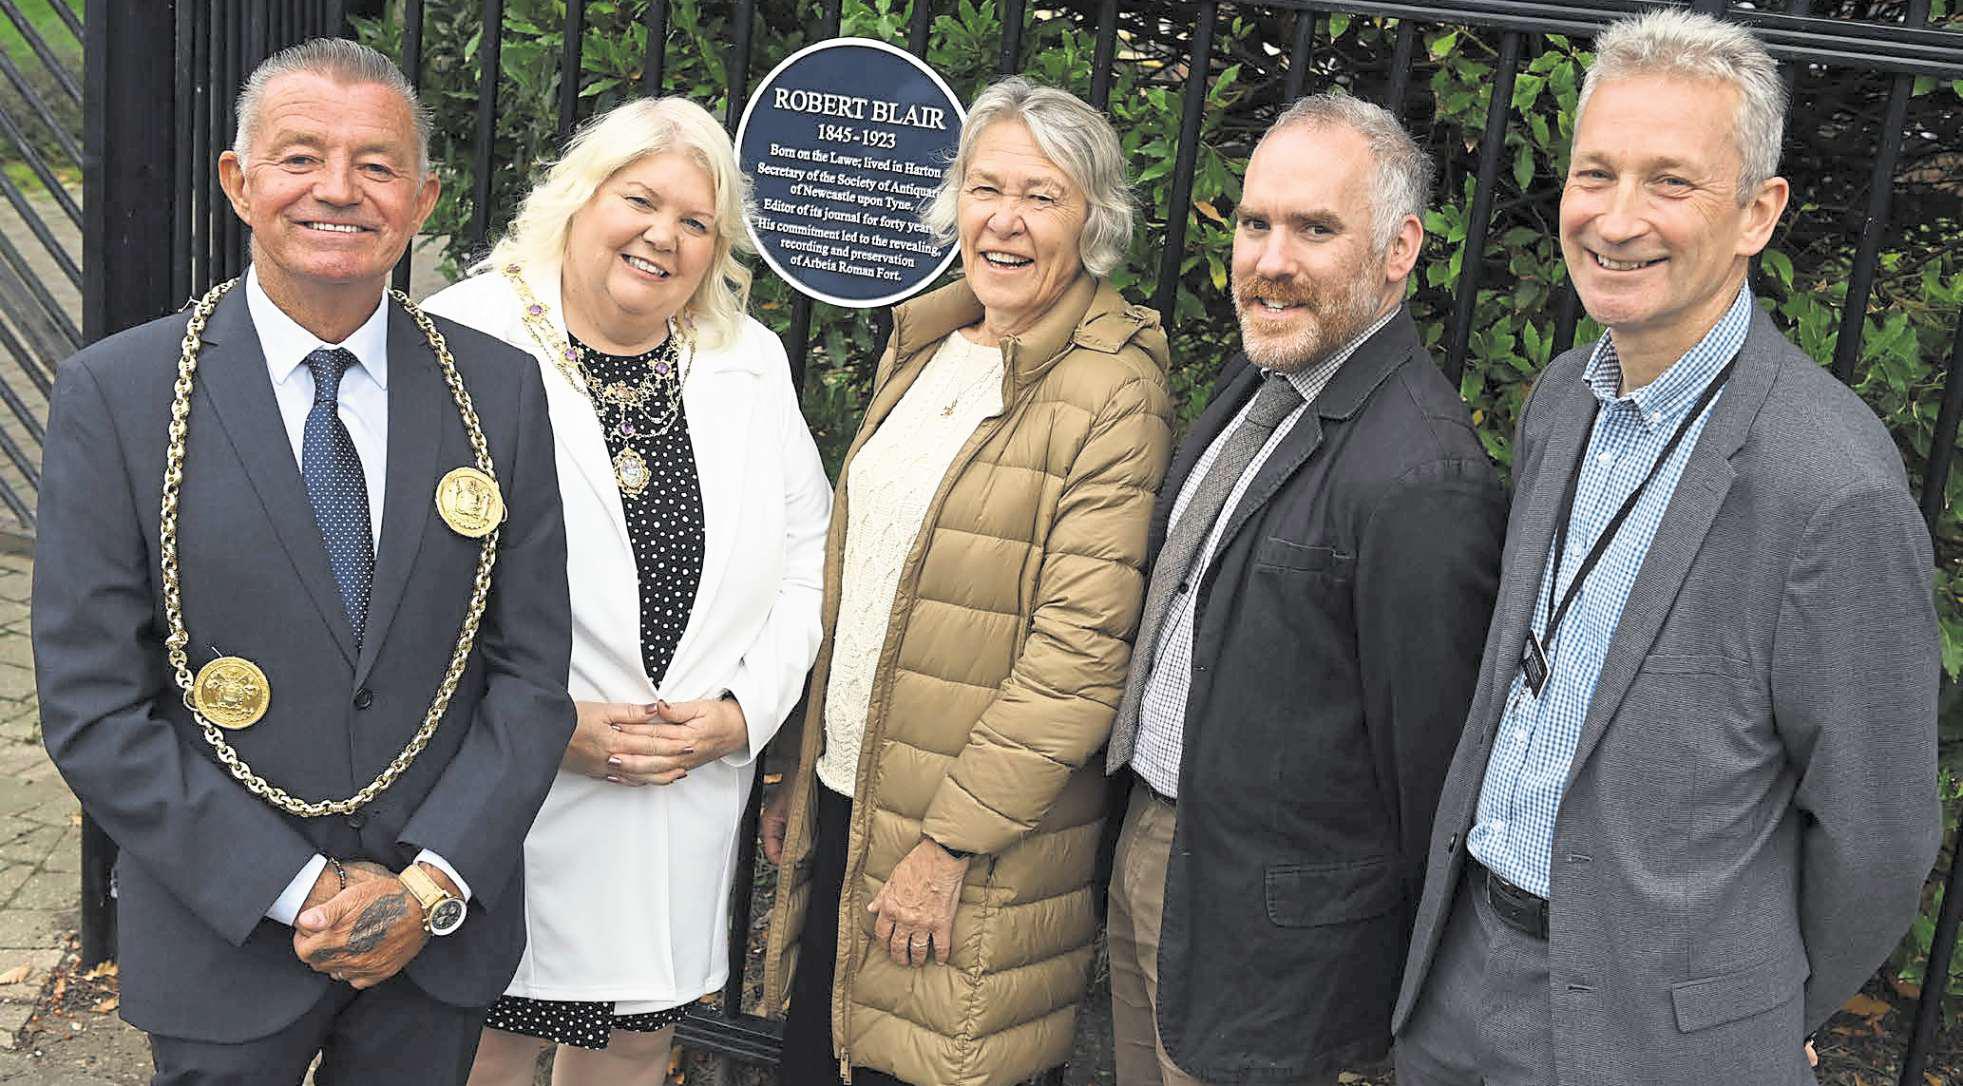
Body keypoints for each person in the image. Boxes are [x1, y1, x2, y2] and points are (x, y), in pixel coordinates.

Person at [1392, 11, 1941, 1086]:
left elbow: (1878, 839)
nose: (1616, 217)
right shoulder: (1562, 399)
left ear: (1757, 214)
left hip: (1663, 1043)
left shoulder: (1832, 487)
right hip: (1462, 981)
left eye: (1671, 182)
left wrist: (1751, 1009)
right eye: (1594, 173)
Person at [32, 38, 574, 1084]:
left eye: (376, 165)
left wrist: (422, 889)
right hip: (225, 932)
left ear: (422, 199)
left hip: (431, 942)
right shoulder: (119, 395)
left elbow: (530, 674)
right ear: (239, 181)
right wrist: (299, 888)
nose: (339, 190)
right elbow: (96, 704)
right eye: (300, 157)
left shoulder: (497, 392)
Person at [756, 76, 1175, 1086]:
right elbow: (862, 583)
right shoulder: (931, 340)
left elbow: (1074, 663)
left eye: (1042, 194)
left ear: (1094, 221)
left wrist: (945, 850)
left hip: (967, 845)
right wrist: (798, 766)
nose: (1005, 219)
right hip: (854, 800)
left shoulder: (1112, 389)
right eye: (986, 187)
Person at [420, 96, 829, 1086]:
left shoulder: (744, 358)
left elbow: (813, 553)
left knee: (640, 1043)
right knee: (490, 1043)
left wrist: (741, 715)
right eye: (640, 200)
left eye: (697, 222)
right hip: (515, 786)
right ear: (579, 196)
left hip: (677, 792)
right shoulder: (458, 339)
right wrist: (542, 723)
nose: (664, 236)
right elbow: (407, 592)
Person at [1100, 93, 1505, 1086]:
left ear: (1399, 249)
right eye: (1254, 223)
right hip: (1162, 853)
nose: (1270, 258)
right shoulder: (1266, 375)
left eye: (1315, 228)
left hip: (1280, 961)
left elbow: (1432, 780)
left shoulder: (1422, 477)